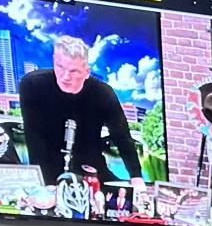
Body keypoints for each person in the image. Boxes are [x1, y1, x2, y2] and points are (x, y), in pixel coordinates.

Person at [16, 35, 144, 187]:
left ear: (87, 71)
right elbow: (34, 138)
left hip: (92, 171)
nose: (65, 77)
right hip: (49, 172)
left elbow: (122, 138)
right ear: (54, 61)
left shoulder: (103, 93)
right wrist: (46, 186)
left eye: (74, 71)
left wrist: (137, 177)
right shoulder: (33, 84)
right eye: (60, 67)